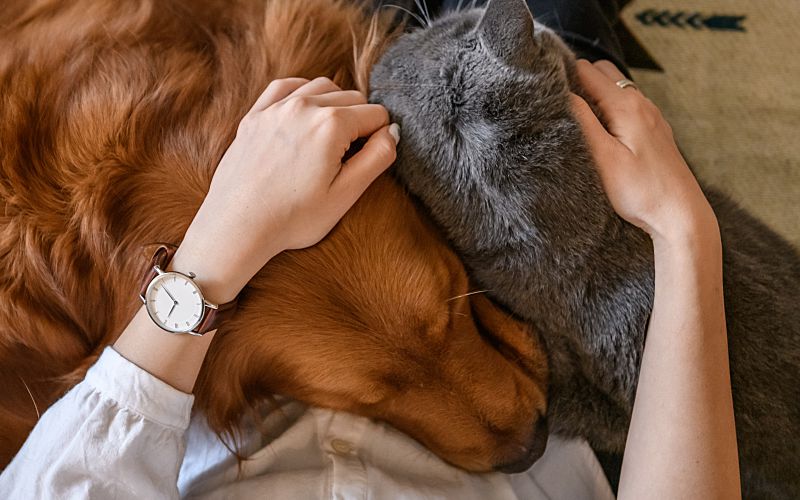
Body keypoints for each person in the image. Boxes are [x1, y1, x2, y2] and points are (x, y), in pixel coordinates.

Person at [0, 1, 740, 498]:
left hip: (196, 307)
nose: (506, 425)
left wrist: (211, 260)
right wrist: (684, 234)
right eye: (385, 390)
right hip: (568, 311)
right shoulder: (506, 429)